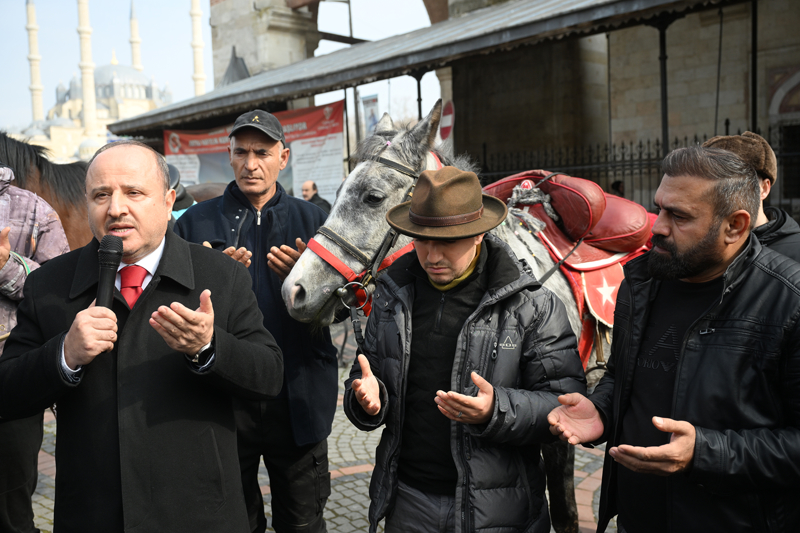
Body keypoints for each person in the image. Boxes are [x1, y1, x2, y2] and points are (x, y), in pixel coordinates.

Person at [0, 141, 284, 532]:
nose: (116, 208)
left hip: (200, 514)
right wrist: (64, 354)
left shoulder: (220, 275)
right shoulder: (49, 284)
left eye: (133, 192)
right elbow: (8, 392)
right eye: (101, 195)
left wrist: (208, 348)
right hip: (93, 516)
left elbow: (269, 375)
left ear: (168, 202)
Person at [548, 146, 800, 532]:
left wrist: (704, 453)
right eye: (660, 209)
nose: (658, 227)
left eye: (679, 216)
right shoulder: (641, 283)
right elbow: (623, 376)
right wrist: (601, 410)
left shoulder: (789, 301)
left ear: (735, 226)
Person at [344, 166, 587, 533]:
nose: (432, 255)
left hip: (499, 512)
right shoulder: (392, 296)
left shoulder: (532, 306)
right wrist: (366, 399)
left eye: (448, 241)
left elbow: (565, 404)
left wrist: (495, 410)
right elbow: (367, 374)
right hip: (408, 502)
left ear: (478, 234)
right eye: (421, 239)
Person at [174, 110, 338, 533]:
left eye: (262, 152)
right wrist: (211, 279)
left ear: (283, 158)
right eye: (241, 152)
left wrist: (311, 284)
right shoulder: (194, 223)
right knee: (233, 523)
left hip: (299, 395)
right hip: (224, 401)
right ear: (229, 156)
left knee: (303, 523)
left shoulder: (316, 223)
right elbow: (170, 308)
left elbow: (343, 309)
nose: (251, 164)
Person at [0, 162, 69, 533]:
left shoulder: (33, 210)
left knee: (12, 498)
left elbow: (58, 290)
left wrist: (5, 265)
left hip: (11, 372)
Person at [703, 131, 800, 261]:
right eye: (711, 183)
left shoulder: (794, 251)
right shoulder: (698, 245)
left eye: (736, 182)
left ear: (764, 188)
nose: (722, 192)